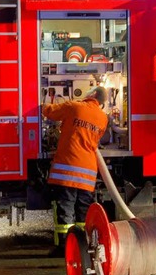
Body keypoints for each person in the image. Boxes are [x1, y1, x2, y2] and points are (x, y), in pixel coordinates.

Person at [42, 86, 108, 254]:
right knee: (83, 211)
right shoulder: (103, 117)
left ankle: (64, 248)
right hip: (88, 171)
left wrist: (41, 103)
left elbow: (49, 112)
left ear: (92, 94)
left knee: (65, 208)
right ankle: (82, 247)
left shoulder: (74, 107)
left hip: (68, 168)